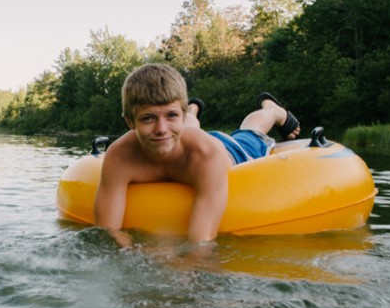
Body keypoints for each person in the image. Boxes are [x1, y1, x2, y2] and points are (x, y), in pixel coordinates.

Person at [94, 63, 300, 246]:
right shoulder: (120, 157)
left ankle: (272, 110)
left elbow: (200, 244)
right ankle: (193, 112)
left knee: (249, 132)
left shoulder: (206, 157)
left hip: (228, 150)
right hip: (186, 136)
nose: (161, 128)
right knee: (178, 132)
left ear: (179, 114)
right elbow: (108, 231)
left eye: (172, 115)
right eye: (148, 118)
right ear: (130, 122)